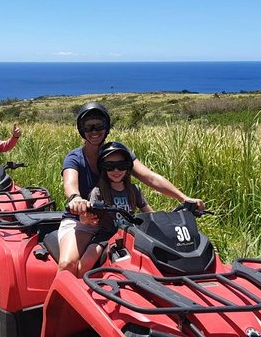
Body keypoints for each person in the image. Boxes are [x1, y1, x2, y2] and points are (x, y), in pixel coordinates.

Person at [58, 102, 205, 276]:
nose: (94, 131)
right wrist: (75, 199)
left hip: (119, 223)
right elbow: (70, 183)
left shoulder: (117, 153)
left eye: (99, 125)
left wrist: (183, 198)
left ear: (107, 127)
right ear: (81, 130)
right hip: (83, 221)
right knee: (68, 264)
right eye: (88, 127)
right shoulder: (75, 158)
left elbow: (150, 177)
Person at [76, 141, 153, 277]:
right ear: (103, 168)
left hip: (131, 234)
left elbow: (149, 212)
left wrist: (161, 221)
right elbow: (88, 218)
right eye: (110, 167)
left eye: (121, 166)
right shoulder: (98, 192)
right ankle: (79, 286)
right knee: (87, 260)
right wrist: (86, 218)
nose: (116, 171)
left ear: (127, 167)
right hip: (106, 235)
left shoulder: (134, 190)